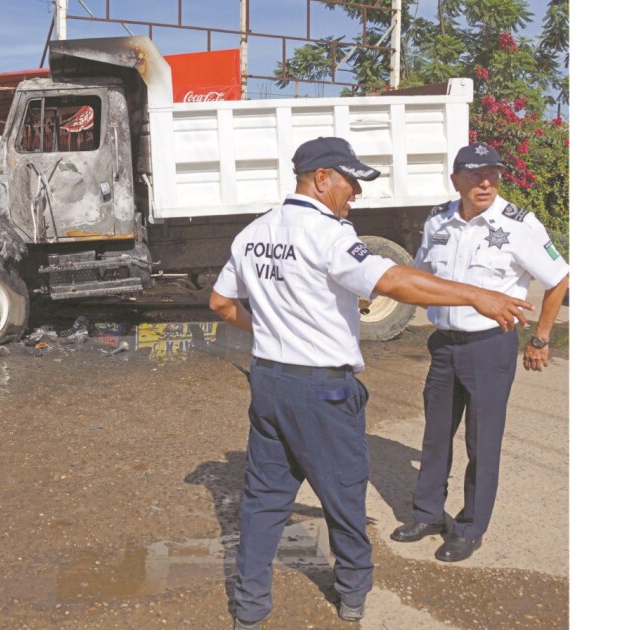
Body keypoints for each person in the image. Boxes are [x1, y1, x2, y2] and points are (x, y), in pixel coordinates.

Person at [209, 137, 534, 629]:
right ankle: (354, 593)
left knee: (262, 501)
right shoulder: (330, 234)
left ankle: (250, 611)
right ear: (321, 179)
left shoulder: (253, 233)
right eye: (350, 182)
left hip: (270, 384)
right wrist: (478, 296)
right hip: (322, 390)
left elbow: (220, 303)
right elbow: (395, 282)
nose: (355, 194)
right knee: (342, 494)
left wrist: (272, 332)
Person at [389, 142, 570, 562]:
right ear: (456, 179)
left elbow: (559, 277)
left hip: (490, 346)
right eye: (474, 173)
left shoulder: (519, 224)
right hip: (444, 346)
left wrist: (540, 338)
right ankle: (428, 514)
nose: (485, 181)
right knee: (435, 436)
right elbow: (420, 275)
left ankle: (471, 527)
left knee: (481, 443)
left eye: (492, 173)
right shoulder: (438, 220)